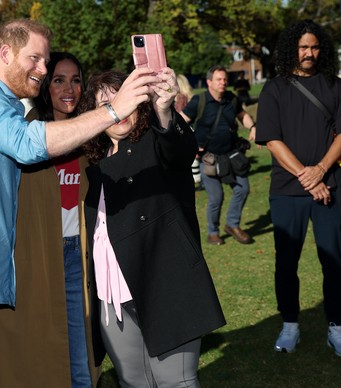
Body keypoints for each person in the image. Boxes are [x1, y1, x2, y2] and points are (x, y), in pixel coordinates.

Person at [0, 19, 160, 387]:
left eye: (45, 60)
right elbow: (27, 144)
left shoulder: (5, 108)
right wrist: (111, 111)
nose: (43, 69)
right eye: (35, 59)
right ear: (5, 53)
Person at [80, 70, 226, 387]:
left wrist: (164, 109)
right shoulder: (93, 164)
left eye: (124, 99)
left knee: (176, 382)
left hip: (166, 286)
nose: (118, 110)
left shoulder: (155, 144)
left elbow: (179, 148)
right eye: (107, 103)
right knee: (133, 382)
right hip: (111, 298)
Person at [0, 52, 99, 387]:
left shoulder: (92, 136)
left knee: (81, 353)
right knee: (40, 354)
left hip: (83, 256)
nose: (69, 88)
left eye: (76, 79)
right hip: (36, 257)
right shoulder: (23, 134)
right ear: (44, 87)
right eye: (58, 80)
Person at [255, 20, 341, 357]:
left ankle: (337, 329)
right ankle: (290, 326)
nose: (309, 53)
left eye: (314, 47)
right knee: (286, 262)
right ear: (291, 49)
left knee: (334, 262)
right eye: (303, 47)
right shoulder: (275, 88)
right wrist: (306, 177)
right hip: (287, 191)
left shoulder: (336, 86)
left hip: (330, 188)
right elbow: (271, 139)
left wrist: (321, 171)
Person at [180, 65, 257, 245]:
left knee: (242, 189)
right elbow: (181, 124)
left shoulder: (231, 99)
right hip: (209, 158)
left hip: (231, 155)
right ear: (209, 82)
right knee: (216, 197)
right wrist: (191, 144)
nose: (223, 82)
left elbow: (242, 115)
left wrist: (252, 127)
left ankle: (232, 224)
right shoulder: (199, 101)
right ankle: (213, 232)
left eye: (225, 79)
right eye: (219, 79)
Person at [175, 74, 202, 190]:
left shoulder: (181, 98)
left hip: (186, 130)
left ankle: (197, 180)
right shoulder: (192, 97)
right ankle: (199, 179)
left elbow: (179, 116)